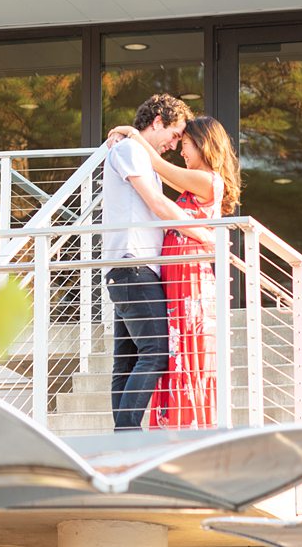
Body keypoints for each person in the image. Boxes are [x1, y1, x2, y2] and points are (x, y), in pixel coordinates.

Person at [107, 116, 241, 429]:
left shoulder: (208, 181)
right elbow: (156, 182)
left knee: (181, 347)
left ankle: (184, 423)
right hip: (174, 271)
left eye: (185, 144)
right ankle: (161, 425)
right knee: (168, 349)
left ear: (204, 143)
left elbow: (158, 166)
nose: (180, 151)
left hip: (189, 274)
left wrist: (130, 132)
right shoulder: (191, 179)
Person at [100, 93, 194, 431]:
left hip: (128, 268)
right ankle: (127, 435)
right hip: (133, 266)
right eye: (174, 134)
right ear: (157, 121)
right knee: (155, 351)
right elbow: (156, 203)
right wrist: (204, 233)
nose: (173, 144)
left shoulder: (135, 151)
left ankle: (123, 437)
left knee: (126, 361)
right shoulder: (130, 151)